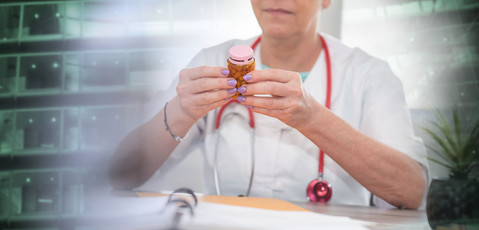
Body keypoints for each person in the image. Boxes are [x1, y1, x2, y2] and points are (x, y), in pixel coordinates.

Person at [109, 0, 428, 209]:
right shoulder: (211, 63)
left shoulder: (369, 75)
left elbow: (412, 191)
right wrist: (181, 111)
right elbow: (120, 175)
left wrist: (313, 118)